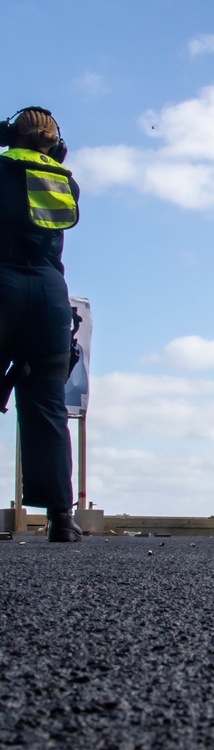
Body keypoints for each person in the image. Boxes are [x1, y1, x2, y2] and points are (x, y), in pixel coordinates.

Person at [0, 106, 81, 542]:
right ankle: (60, 520)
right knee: (49, 407)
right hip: (50, 294)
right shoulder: (64, 181)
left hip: (3, 281)